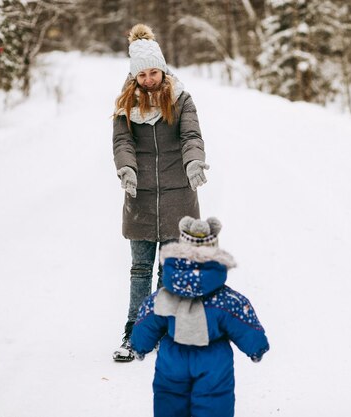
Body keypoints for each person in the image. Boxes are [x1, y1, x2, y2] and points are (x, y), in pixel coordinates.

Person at [111, 23, 210, 362]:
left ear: (163, 69)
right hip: (139, 195)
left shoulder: (181, 98)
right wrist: (126, 168)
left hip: (177, 196)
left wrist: (194, 162)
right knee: (140, 269)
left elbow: (191, 136)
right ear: (134, 75)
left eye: (154, 72)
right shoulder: (125, 104)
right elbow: (122, 141)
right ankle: (134, 332)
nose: (149, 79)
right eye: (143, 74)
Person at [130, 216, 270, 417]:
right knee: (214, 401)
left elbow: (147, 320)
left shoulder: (163, 297)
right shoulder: (226, 300)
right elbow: (242, 319)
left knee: (169, 399)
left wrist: (139, 345)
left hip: (172, 359)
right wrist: (256, 347)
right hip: (213, 361)